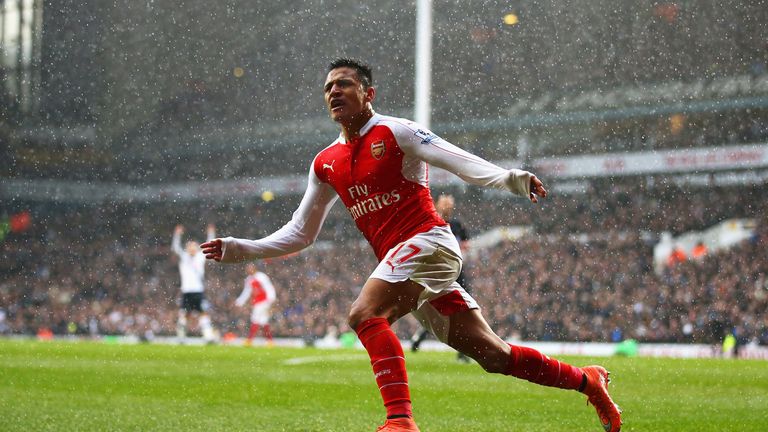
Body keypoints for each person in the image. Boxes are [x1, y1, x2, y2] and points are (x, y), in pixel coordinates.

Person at [201, 58, 622, 432]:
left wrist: (511, 178)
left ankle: (400, 420)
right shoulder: (326, 163)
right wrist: (241, 248)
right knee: (494, 356)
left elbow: (456, 159)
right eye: (328, 87)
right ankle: (588, 381)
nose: (334, 92)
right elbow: (301, 232)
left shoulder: (395, 131)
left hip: (429, 242)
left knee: (364, 313)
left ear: (368, 93)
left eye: (344, 83)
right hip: (409, 264)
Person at [410, 193, 471, 363]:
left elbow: (466, 244)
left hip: (456, 270)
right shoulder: (432, 221)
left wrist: (458, 248)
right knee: (438, 308)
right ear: (437, 205)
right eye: (445, 204)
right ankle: (422, 335)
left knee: (462, 308)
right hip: (437, 271)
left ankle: (463, 351)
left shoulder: (456, 225)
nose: (448, 208)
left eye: (450, 205)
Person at [172, 223, 217, 343]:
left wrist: (211, 233)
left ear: (197, 248)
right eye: (190, 246)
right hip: (187, 291)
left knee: (203, 313)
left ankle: (208, 337)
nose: (192, 248)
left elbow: (210, 244)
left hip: (198, 291)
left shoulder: (200, 257)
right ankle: (181, 337)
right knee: (184, 315)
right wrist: (177, 234)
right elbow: (176, 247)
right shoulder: (184, 257)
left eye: (194, 246)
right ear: (187, 248)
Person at [235, 262, 276, 346]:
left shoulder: (261, 277)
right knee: (263, 321)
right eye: (247, 268)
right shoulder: (249, 279)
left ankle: (249, 340)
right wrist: (239, 301)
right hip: (257, 302)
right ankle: (270, 341)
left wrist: (271, 299)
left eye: (250, 268)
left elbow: (269, 287)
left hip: (263, 301)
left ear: (254, 268)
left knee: (255, 319)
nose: (248, 270)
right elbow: (247, 292)